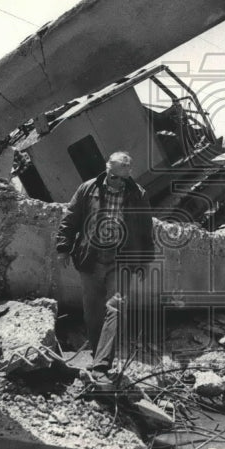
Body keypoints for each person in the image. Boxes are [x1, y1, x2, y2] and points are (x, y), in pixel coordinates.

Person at [55, 151, 155, 370]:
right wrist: (63, 248)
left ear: (129, 175)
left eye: (122, 178)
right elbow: (70, 218)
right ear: (106, 169)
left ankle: (102, 363)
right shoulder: (87, 189)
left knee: (116, 307)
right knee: (92, 312)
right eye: (113, 176)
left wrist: (144, 261)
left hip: (120, 260)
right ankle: (95, 353)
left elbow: (145, 229)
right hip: (90, 257)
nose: (116, 182)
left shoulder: (138, 195)